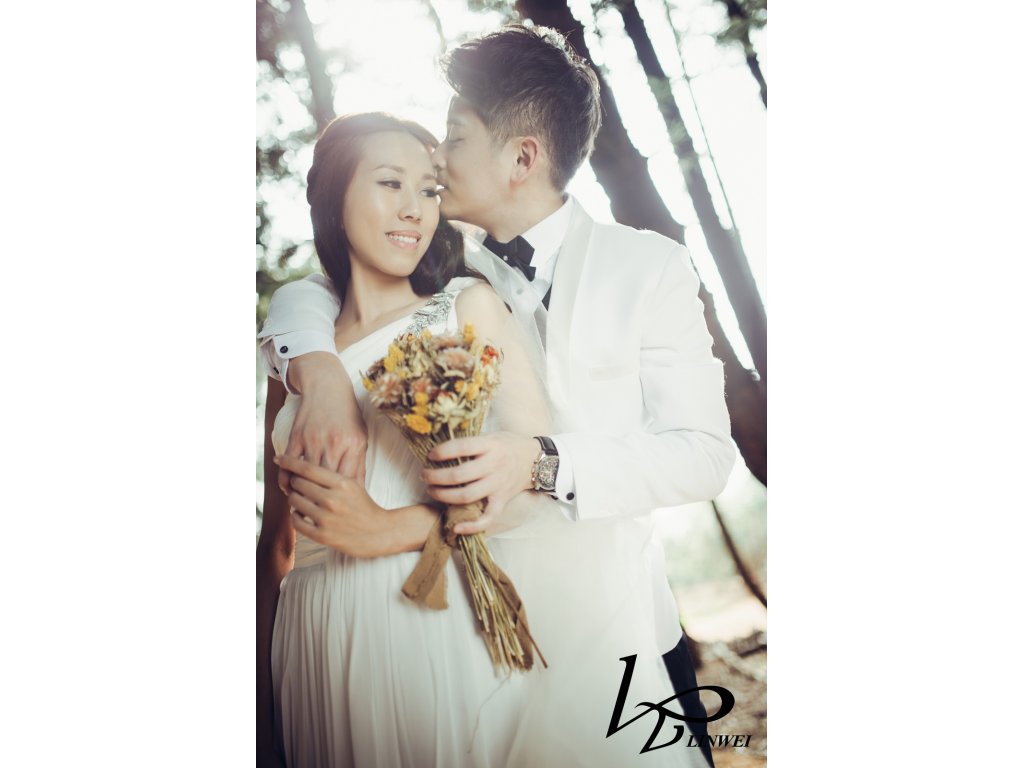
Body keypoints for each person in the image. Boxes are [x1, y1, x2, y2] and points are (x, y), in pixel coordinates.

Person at [260, 26, 734, 767]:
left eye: (454, 137)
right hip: (459, 628)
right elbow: (316, 295)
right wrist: (316, 372)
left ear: (522, 158)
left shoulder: (647, 267)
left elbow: (703, 455)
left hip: (610, 625)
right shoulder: (436, 270)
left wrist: (539, 461)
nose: (437, 161)